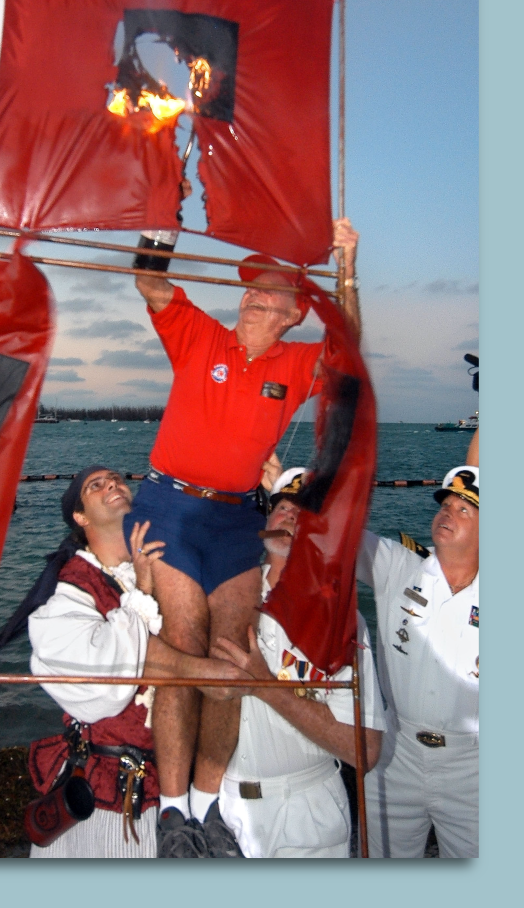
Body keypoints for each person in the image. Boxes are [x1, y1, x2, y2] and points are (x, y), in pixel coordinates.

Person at [128, 217, 361, 855]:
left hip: (237, 516)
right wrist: (160, 225)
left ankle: (206, 809)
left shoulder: (295, 362)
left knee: (232, 657)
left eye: (267, 293)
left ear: (293, 314)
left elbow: (349, 345)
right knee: (185, 639)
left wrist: (345, 266)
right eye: (249, 289)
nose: (251, 297)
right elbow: (149, 280)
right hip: (171, 502)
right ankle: (172, 814)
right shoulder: (200, 336)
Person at [0, 466, 247, 857]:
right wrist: (144, 596)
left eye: (116, 479)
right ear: (80, 517)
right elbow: (103, 688)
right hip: (106, 803)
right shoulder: (67, 594)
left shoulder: (163, 567)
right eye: (95, 486)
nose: (111, 484)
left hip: (171, 794)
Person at [200, 466, 385, 858]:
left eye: (306, 512)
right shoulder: (220, 597)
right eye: (282, 506)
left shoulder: (340, 620)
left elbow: (365, 751)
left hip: (305, 815)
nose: (291, 515)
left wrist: (267, 687)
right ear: (265, 523)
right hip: (224, 809)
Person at [358, 464, 481, 858]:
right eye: (445, 504)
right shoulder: (399, 566)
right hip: (397, 754)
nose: (447, 513)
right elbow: (337, 535)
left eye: (464, 510)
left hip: (474, 767)